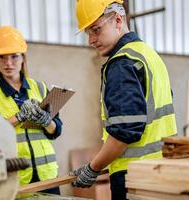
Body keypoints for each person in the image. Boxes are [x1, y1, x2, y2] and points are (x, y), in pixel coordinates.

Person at [70, 1, 177, 199]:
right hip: (162, 172)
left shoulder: (122, 63)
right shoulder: (149, 55)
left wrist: (92, 168)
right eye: (88, 33)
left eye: (96, 30)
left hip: (134, 179)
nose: (91, 40)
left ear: (118, 20)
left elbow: (124, 133)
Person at [0, 26, 61, 194]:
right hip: (14, 178)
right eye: (1, 57)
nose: (8, 63)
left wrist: (46, 121)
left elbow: (56, 131)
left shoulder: (40, 88)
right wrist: (19, 116)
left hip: (48, 176)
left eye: (14, 56)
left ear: (23, 57)